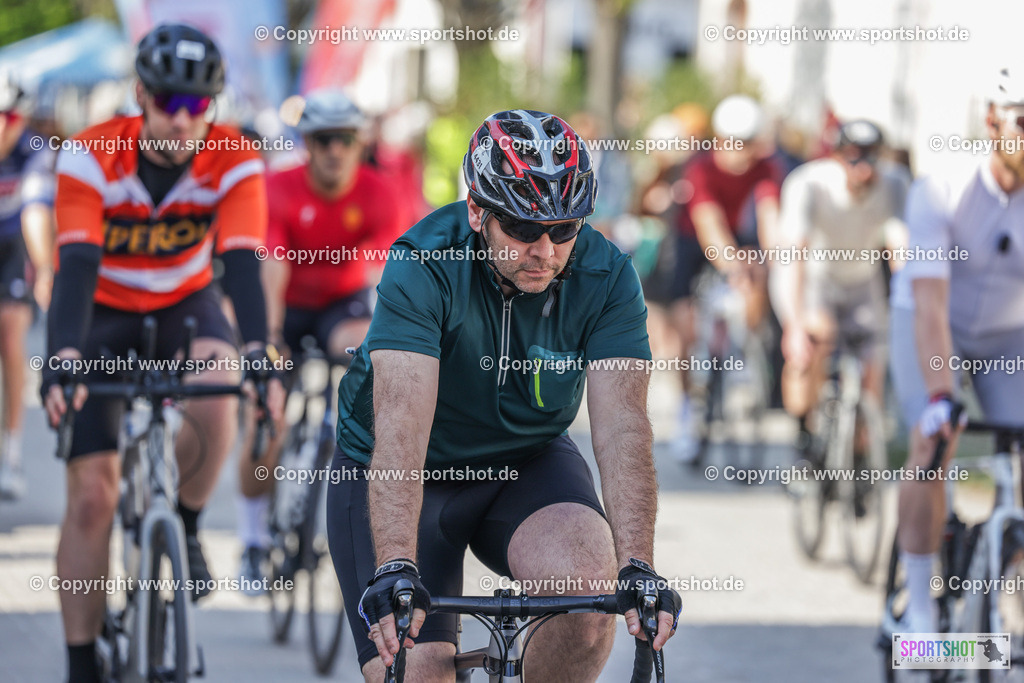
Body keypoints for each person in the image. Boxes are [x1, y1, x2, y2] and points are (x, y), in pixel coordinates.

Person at [327, 109, 681, 682]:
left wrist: (637, 564)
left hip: (524, 462)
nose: (543, 249)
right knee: (420, 675)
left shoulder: (608, 275)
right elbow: (401, 425)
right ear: (476, 211)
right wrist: (395, 562)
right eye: (521, 228)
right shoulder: (423, 263)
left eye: (564, 229)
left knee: (590, 603)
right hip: (404, 468)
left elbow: (623, 427)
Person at [41, 24, 284, 682]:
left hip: (183, 301)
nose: (183, 121)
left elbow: (239, 262)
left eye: (199, 106)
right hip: (102, 312)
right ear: (141, 95)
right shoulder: (92, 154)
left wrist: (259, 351)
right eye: (170, 103)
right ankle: (82, 659)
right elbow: (78, 264)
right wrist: (63, 355)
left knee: (220, 386)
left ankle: (186, 520)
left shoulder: (234, 158)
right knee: (92, 494)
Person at [236, 89, 401, 591]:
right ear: (307, 143)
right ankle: (253, 538)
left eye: (345, 140)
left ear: (360, 142)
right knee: (267, 413)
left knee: (361, 349)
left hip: (339, 304)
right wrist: (266, 343)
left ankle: (340, 431)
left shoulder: (381, 192)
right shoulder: (277, 187)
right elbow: (273, 267)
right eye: (323, 139)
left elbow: (380, 270)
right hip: (285, 303)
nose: (334, 150)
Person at [892, 68, 1024, 633]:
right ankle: (919, 609)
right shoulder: (942, 185)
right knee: (933, 438)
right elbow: (929, 305)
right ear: (993, 120)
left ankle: (1002, 582)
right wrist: (943, 396)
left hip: (1007, 334)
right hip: (929, 321)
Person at [774, 120, 908, 457]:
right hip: (815, 278)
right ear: (836, 158)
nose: (863, 169)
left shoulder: (894, 184)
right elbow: (794, 257)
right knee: (812, 344)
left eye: (872, 158)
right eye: (853, 158)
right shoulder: (808, 183)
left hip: (862, 280)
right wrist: (794, 326)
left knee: (872, 367)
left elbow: (901, 251)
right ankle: (806, 439)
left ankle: (862, 457)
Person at [669, 94, 782, 462]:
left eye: (749, 143)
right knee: (685, 330)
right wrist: (730, 264)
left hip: (739, 235)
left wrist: (778, 258)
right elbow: (709, 224)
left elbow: (770, 215)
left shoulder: (766, 167)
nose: (742, 153)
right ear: (718, 140)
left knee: (759, 271)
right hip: (692, 240)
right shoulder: (700, 168)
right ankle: (689, 407)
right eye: (734, 143)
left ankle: (745, 346)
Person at [0, 70, 56, 499]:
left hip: (13, 248)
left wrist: (46, 269)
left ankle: (12, 451)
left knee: (10, 337)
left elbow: (37, 211)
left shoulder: (34, 149)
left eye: (10, 116)